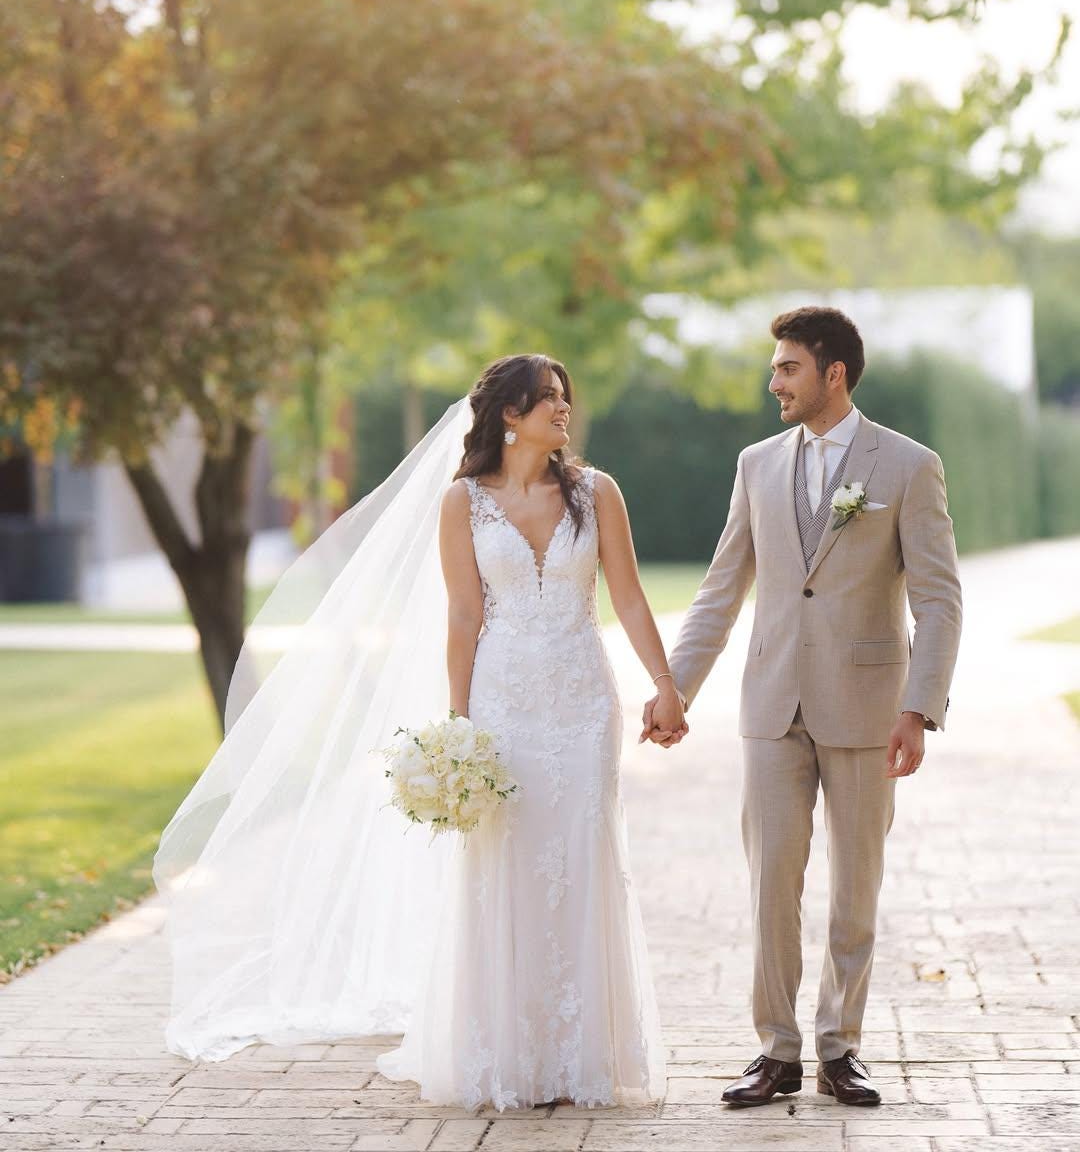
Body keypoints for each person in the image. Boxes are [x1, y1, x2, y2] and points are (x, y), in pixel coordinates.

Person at [154, 353, 670, 1113]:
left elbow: (625, 594)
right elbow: (464, 616)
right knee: (506, 866)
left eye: (565, 398)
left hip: (581, 700)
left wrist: (666, 684)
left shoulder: (598, 494)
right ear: (508, 415)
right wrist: (460, 729)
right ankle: (508, 1054)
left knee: (583, 859)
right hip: (502, 703)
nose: (564, 410)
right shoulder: (463, 503)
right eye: (548, 400)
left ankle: (580, 1058)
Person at [641, 306, 962, 1108]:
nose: (773, 380)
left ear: (833, 374)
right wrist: (676, 687)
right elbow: (721, 588)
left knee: (857, 886)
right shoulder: (755, 463)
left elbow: (940, 600)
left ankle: (839, 1046)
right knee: (769, 881)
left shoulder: (909, 467)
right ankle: (776, 1049)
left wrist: (918, 709)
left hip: (866, 704)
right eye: (775, 366)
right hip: (772, 702)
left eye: (787, 367)